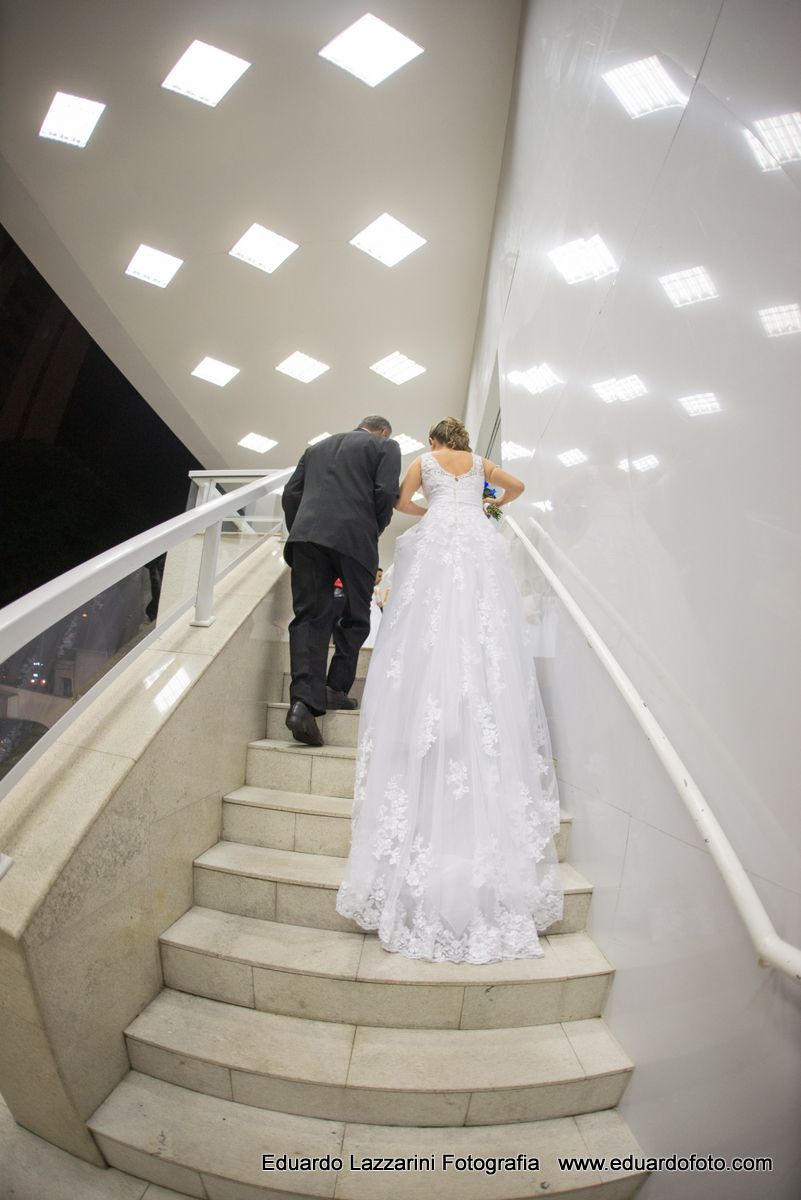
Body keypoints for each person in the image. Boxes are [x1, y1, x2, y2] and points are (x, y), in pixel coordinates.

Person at [336, 416, 563, 963]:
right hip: (479, 543)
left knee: (430, 627)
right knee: (480, 628)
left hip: (437, 539)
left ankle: (430, 711)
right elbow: (519, 488)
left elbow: (398, 501)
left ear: (436, 443)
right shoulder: (481, 466)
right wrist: (484, 506)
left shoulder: (424, 462)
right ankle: (472, 704)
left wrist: (433, 509)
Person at [281, 417, 401, 746]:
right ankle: (334, 689)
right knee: (356, 616)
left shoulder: (316, 447)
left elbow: (291, 495)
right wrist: (369, 529)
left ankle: (303, 703)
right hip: (355, 538)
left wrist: (306, 527)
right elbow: (386, 493)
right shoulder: (386, 446)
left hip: (307, 537)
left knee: (309, 617)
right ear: (382, 432)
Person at [362, 567, 385, 650]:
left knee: (374, 627)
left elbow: (379, 604)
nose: (380, 579)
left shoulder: (374, 589)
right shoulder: (373, 588)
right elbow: (380, 604)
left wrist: (377, 596)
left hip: (372, 611)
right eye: (379, 576)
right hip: (371, 610)